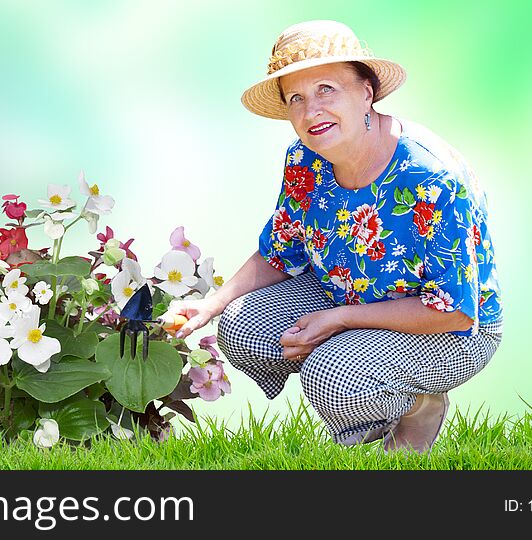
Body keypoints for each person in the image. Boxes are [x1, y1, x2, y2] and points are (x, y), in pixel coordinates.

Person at [160, 20, 503, 453]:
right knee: (240, 326)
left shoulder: (430, 177)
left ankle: (414, 402)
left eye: (326, 89)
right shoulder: (306, 158)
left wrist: (339, 322)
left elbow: (454, 312)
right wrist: (210, 303)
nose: (310, 112)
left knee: (333, 374)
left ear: (366, 92)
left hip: (451, 328)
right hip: (343, 289)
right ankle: (365, 382)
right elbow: (281, 250)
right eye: (296, 99)